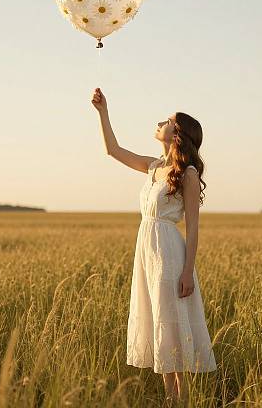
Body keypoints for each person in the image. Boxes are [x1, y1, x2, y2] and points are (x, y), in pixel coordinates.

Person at [91, 87, 217, 405]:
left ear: (177, 135)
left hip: (169, 254)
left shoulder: (186, 174)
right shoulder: (153, 167)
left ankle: (181, 402)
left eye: (168, 121)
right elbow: (113, 150)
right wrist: (103, 112)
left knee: (172, 327)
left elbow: (194, 227)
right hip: (146, 251)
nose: (159, 122)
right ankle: (169, 401)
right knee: (159, 326)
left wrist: (187, 272)